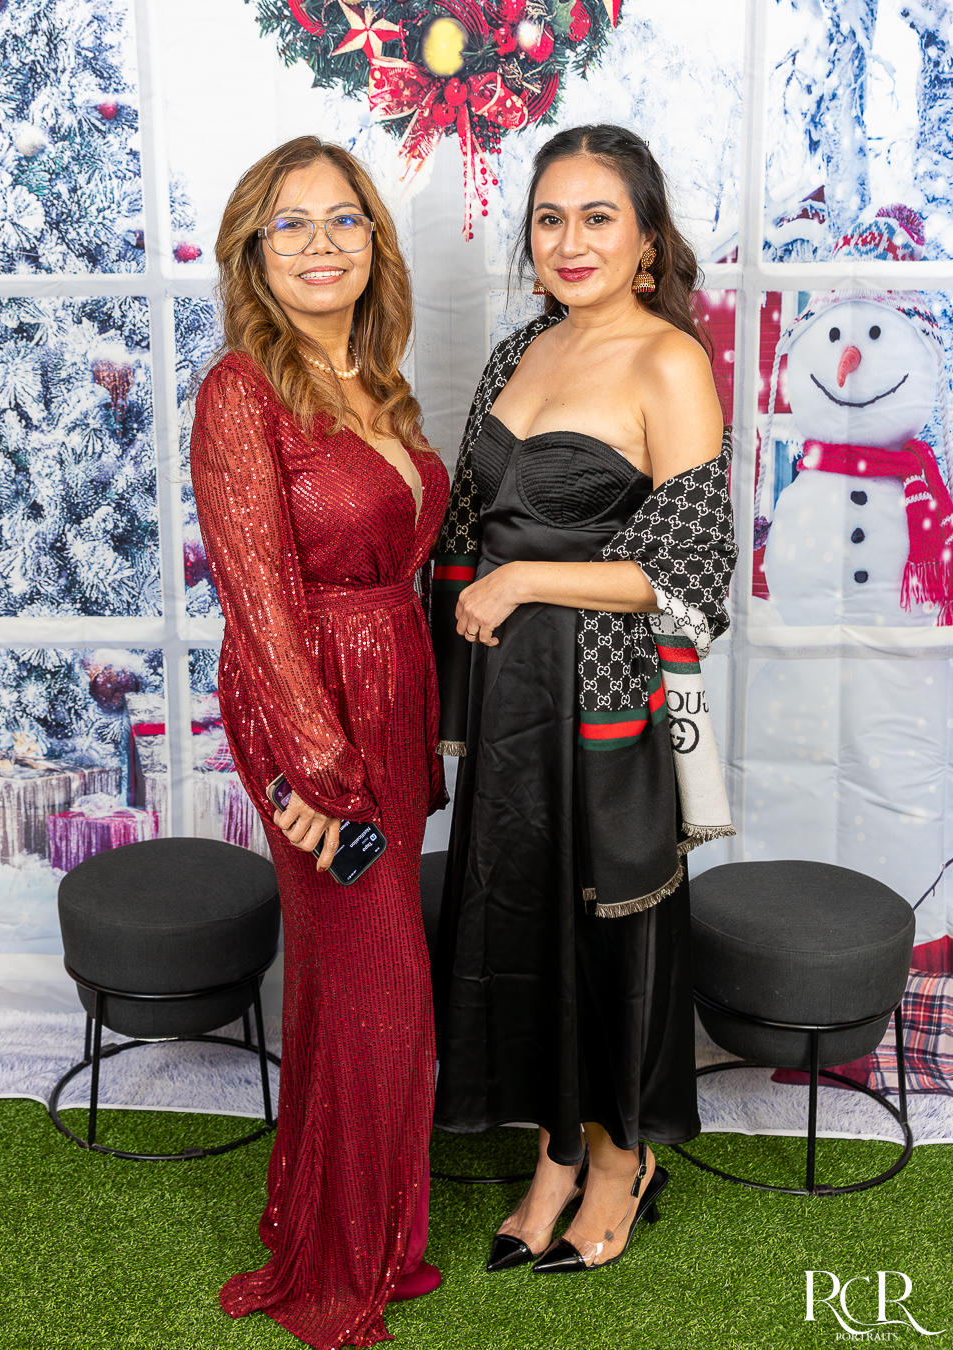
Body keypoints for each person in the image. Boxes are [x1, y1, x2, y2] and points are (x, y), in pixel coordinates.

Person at [430, 124, 737, 1275]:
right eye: (550, 218)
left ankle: (620, 1160)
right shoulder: (523, 347)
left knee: (611, 929)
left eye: (599, 217)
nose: (571, 240)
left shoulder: (669, 363)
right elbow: (468, 522)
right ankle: (555, 1153)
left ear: (647, 239)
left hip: (606, 699)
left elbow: (694, 573)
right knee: (524, 918)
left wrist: (523, 580)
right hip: (509, 702)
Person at [190, 135, 448, 1349]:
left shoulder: (377, 383)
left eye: (342, 219)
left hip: (389, 699)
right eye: (288, 225)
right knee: (379, 990)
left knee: (353, 990)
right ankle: (334, 1270)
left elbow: (403, 569)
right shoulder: (241, 391)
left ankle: (363, 1235)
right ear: (254, 253)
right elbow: (257, 599)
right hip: (313, 712)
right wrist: (314, 773)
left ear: (374, 243)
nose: (319, 244)